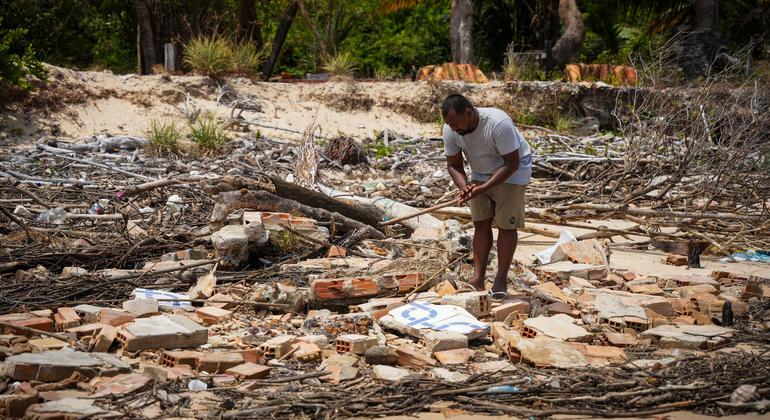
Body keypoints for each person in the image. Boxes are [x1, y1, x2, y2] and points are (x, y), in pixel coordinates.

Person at [442, 94, 532, 299]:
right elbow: (453, 165)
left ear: (469, 112)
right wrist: (464, 187)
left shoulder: (498, 123)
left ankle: (500, 279)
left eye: (456, 123)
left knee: (506, 225)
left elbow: (512, 163)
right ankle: (478, 279)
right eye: (449, 124)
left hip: (513, 172)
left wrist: (483, 189)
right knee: (481, 224)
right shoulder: (450, 129)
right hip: (480, 172)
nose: (454, 128)